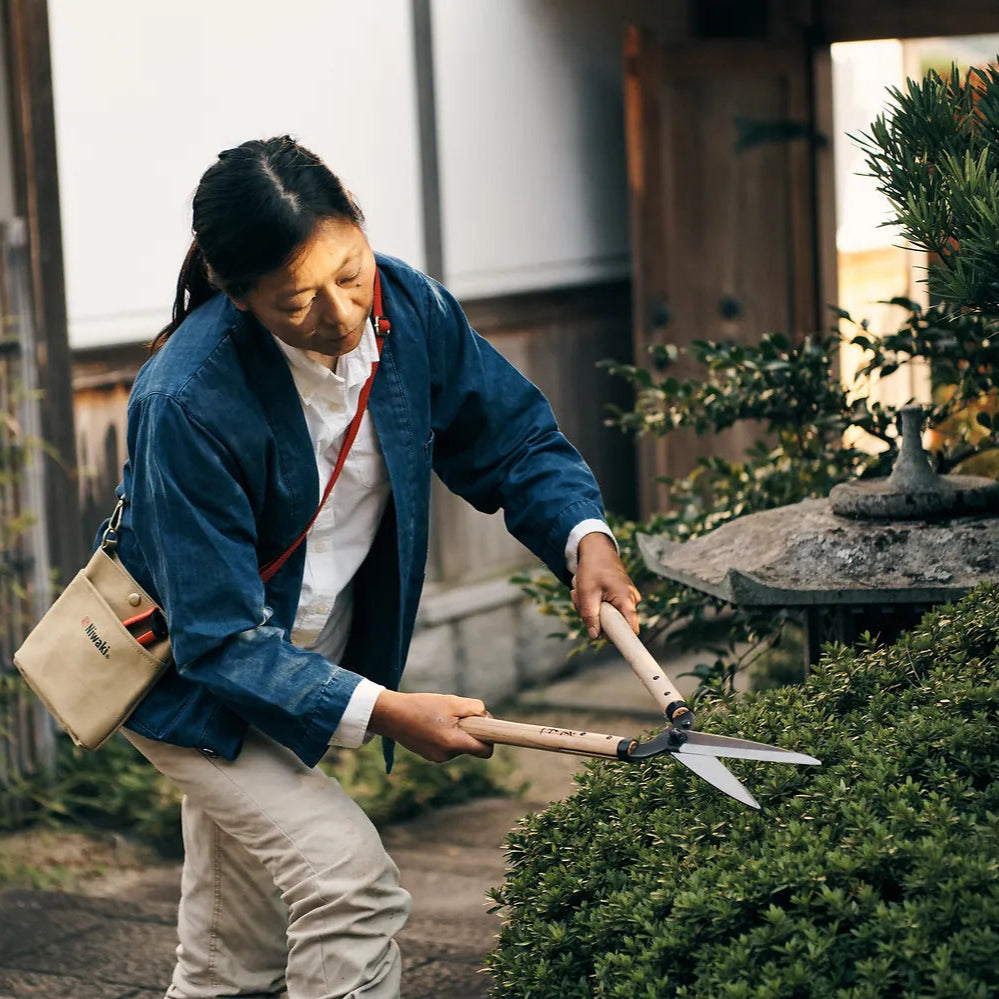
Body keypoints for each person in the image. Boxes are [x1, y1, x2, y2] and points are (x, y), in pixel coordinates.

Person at [109, 135, 640, 999]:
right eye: (296, 302)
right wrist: (390, 711)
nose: (341, 315)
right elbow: (220, 639)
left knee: (228, 965)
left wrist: (586, 538)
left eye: (349, 273)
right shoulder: (186, 398)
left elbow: (512, 441)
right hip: (192, 683)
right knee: (349, 885)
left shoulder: (411, 308)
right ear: (236, 295)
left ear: (358, 222)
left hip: (303, 664)